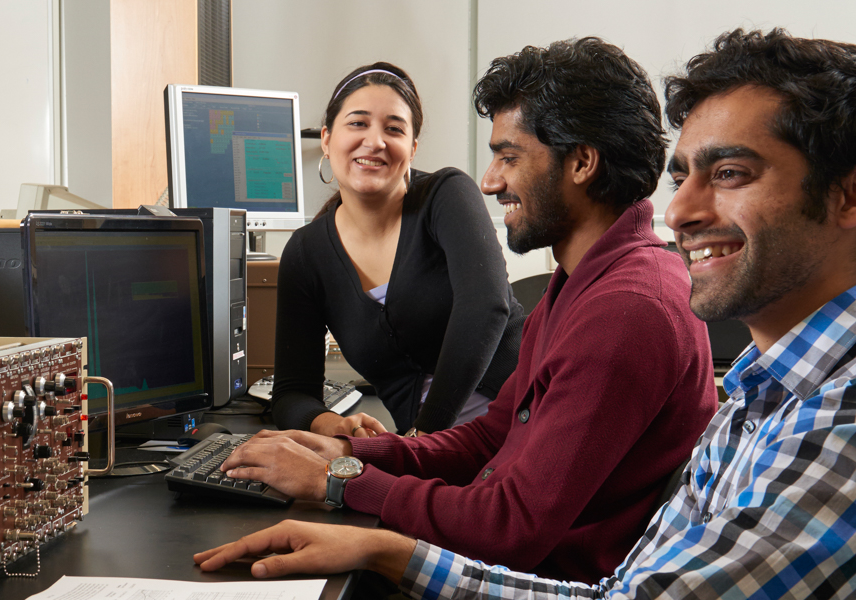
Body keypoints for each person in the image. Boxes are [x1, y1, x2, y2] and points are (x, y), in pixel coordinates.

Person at [197, 29, 856, 599]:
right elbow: (503, 441)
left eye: (728, 173)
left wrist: (359, 501)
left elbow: (534, 534)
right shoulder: (771, 388)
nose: (683, 209)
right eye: (685, 174)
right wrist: (376, 466)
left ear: (854, 195)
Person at [221, 38, 718, 584]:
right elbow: (490, 437)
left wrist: (338, 480)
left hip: (542, 580)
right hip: (505, 547)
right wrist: (347, 451)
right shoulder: (578, 284)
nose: (490, 180)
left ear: (581, 163)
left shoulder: (626, 309)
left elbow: (511, 526)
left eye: (509, 156)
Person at [269, 62, 526, 437]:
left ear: (413, 148)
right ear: (326, 139)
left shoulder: (445, 195)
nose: (375, 142)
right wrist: (335, 425)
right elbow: (292, 393)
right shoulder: (307, 254)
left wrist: (422, 440)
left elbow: (486, 306)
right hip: (430, 450)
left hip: (522, 418)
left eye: (394, 129)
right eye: (357, 123)